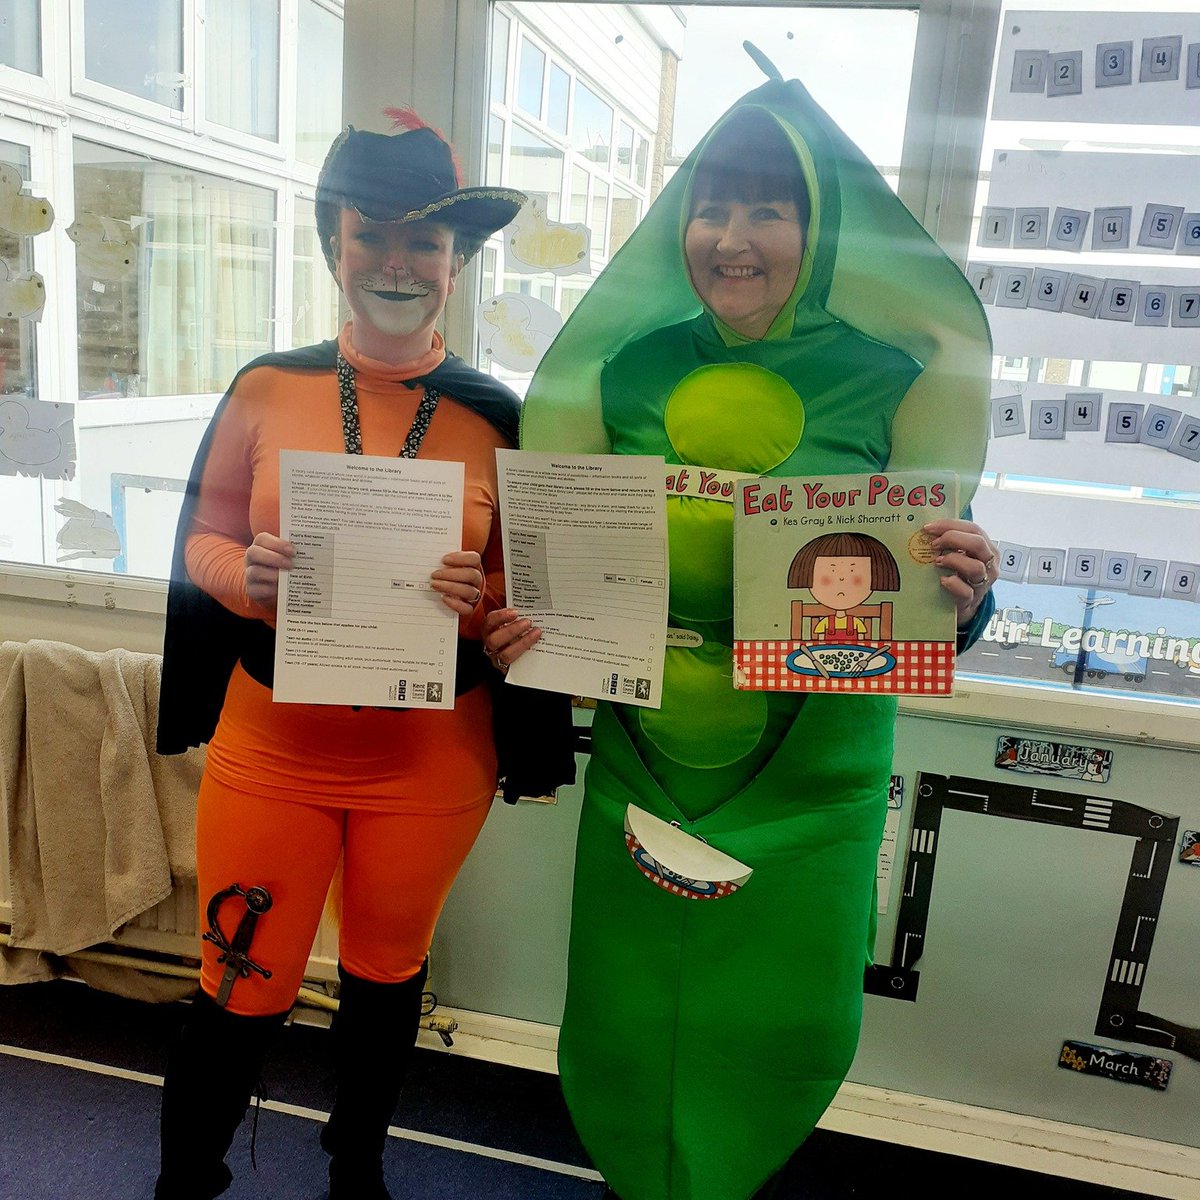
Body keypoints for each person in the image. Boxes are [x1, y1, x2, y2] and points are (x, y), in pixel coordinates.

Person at [485, 51, 998, 1200]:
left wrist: (966, 592)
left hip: (811, 778)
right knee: (627, 1024)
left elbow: (921, 584)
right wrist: (531, 632)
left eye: (770, 208)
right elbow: (575, 564)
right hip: (647, 760)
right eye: (712, 205)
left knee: (773, 1031)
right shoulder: (628, 371)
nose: (732, 236)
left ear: (822, 231)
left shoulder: (890, 377)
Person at [153, 112, 573, 1200]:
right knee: (238, 978)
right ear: (332, 244)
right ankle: (186, 1178)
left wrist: (481, 607)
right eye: (371, 234)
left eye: (423, 241)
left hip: (429, 762)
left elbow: (518, 597)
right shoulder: (266, 387)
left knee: (387, 976)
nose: (397, 262)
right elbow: (201, 536)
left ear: (456, 261)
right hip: (271, 746)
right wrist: (242, 579)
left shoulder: (500, 416)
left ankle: (356, 1170)